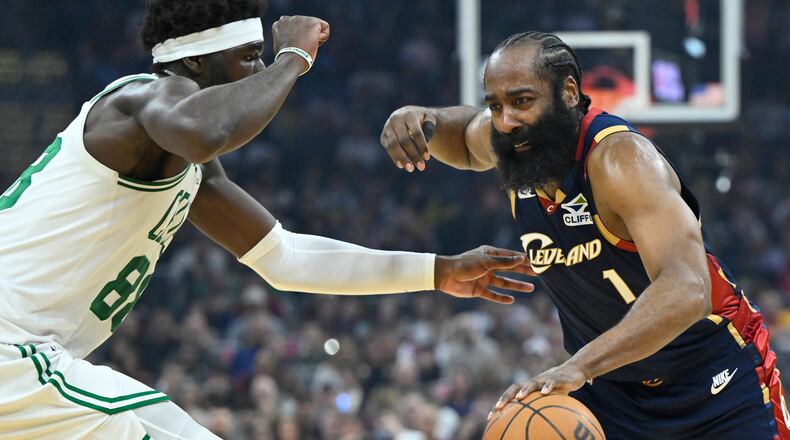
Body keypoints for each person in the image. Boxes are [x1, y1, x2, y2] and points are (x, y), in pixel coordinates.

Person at [0, 2, 536, 439]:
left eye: (262, 58)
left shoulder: (188, 168)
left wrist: (436, 271)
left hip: (29, 361)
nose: (259, 71)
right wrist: (293, 59)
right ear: (193, 65)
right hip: (11, 349)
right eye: (249, 57)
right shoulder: (140, 100)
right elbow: (204, 130)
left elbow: (285, 258)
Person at [380, 31, 790, 439]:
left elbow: (688, 287)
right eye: (495, 105)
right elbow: (467, 139)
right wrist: (420, 119)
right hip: (615, 391)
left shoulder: (621, 160)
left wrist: (580, 365)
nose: (506, 121)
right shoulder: (515, 143)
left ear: (570, 92)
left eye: (522, 101)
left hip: (715, 379)